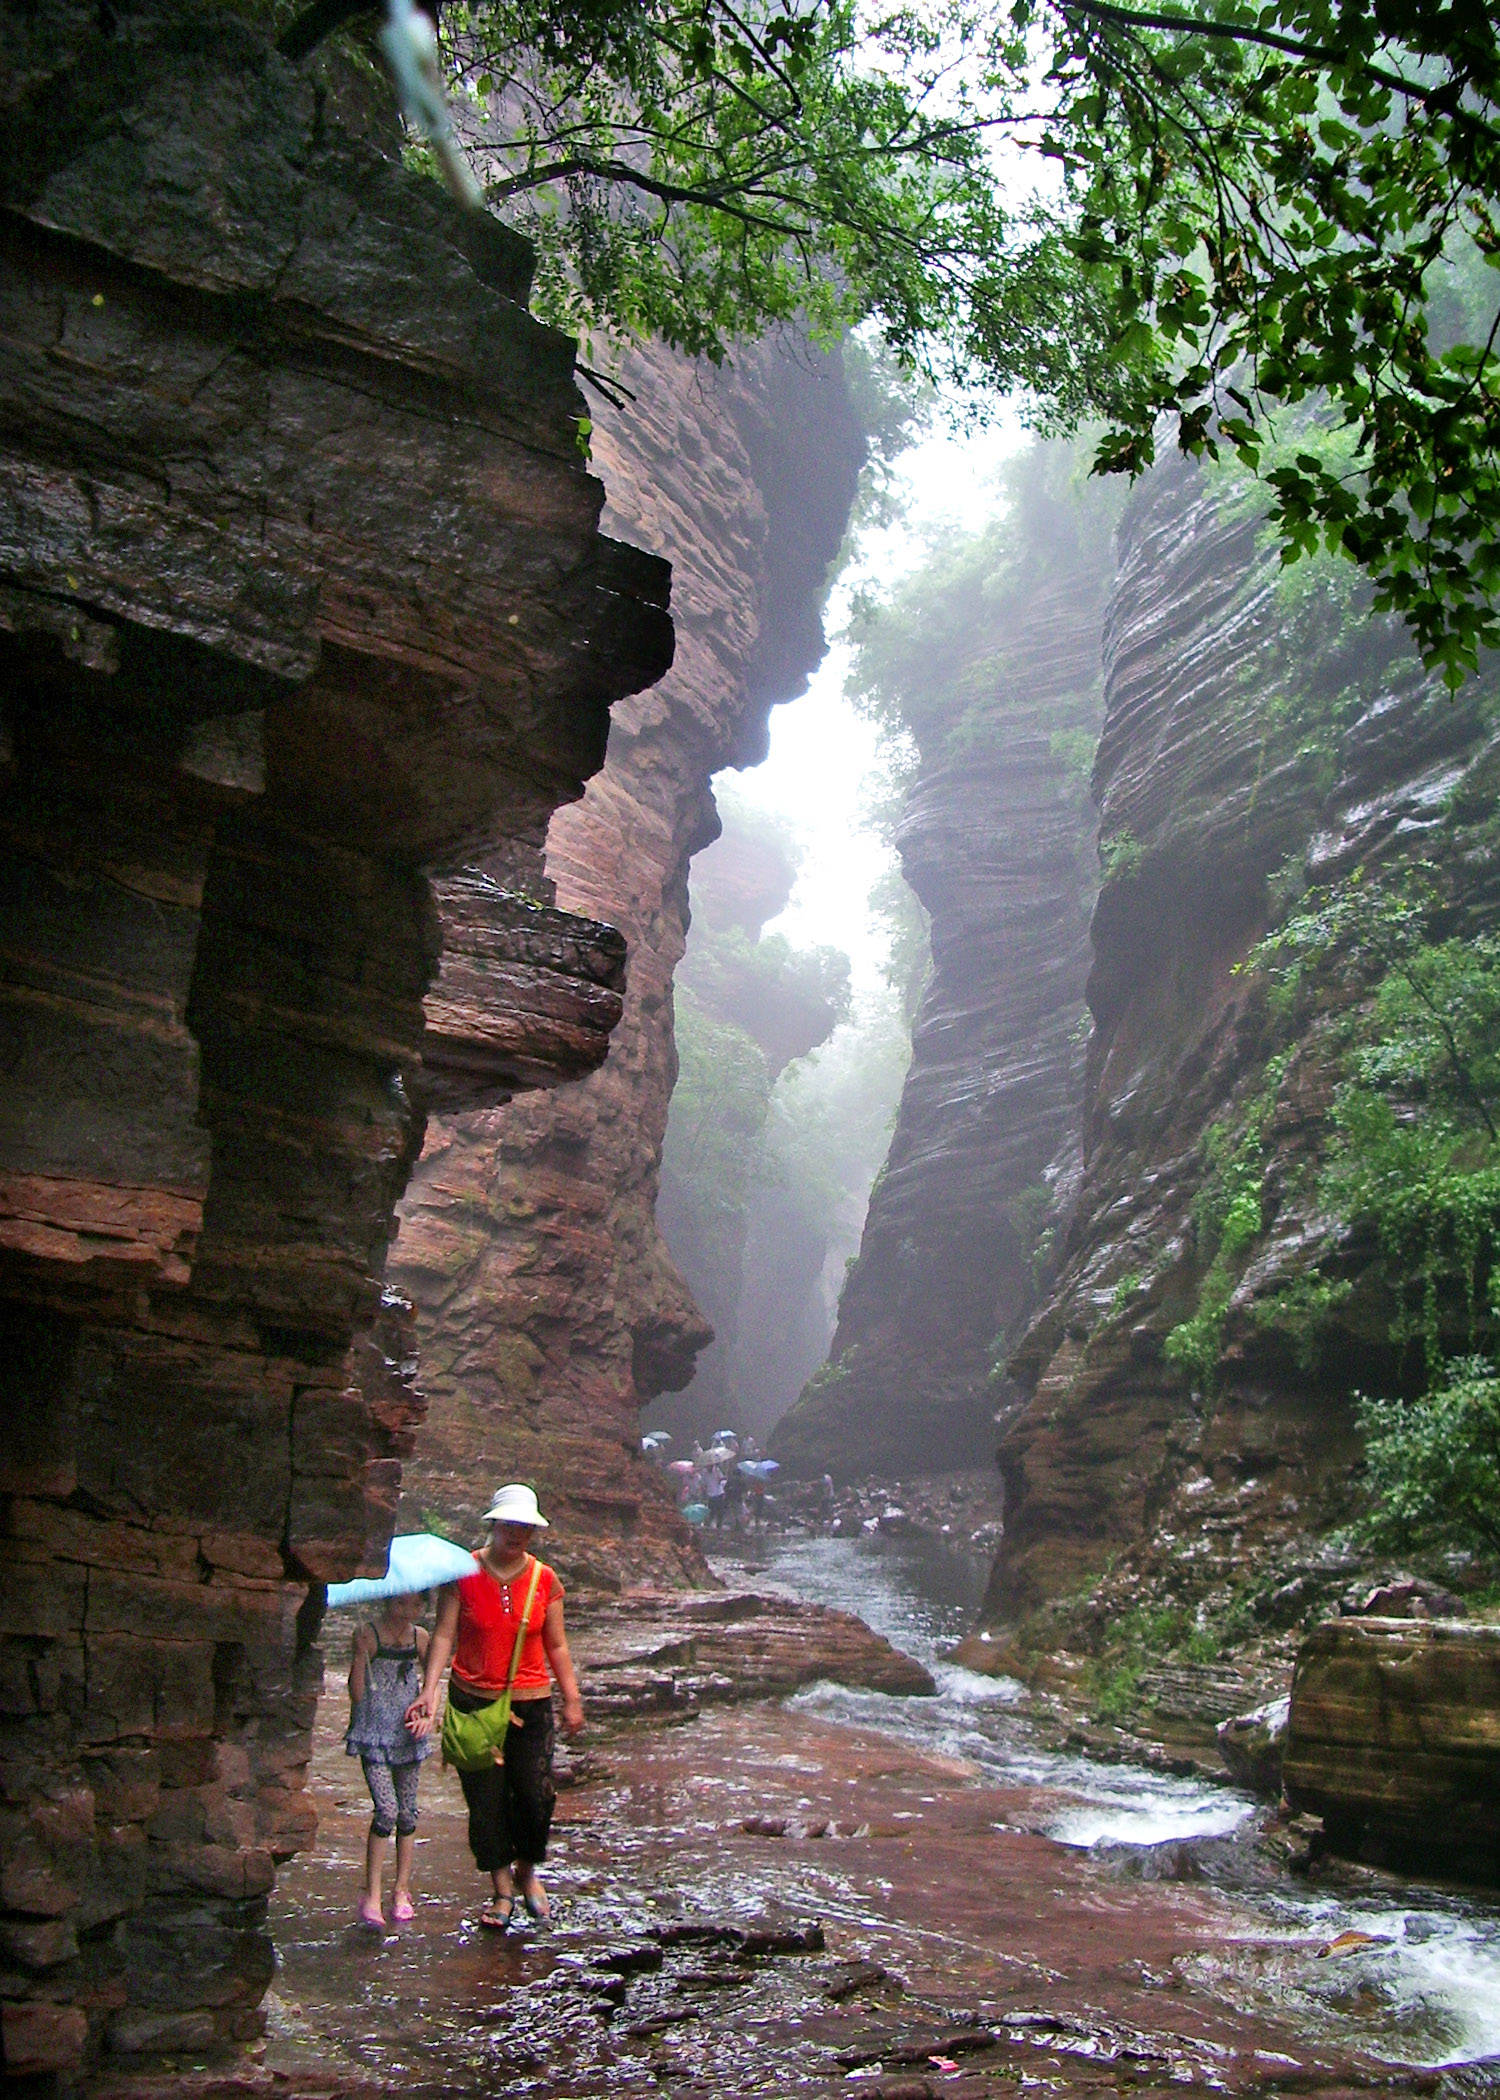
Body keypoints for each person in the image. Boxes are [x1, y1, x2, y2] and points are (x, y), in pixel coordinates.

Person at [404, 1484, 584, 1931]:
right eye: (510, 1524)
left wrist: (572, 1699)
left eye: (526, 1526)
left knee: (535, 1797)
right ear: (494, 1523)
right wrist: (431, 1690)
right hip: (472, 1703)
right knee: (485, 1803)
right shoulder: (462, 1571)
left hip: (532, 1704)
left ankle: (527, 1873)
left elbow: (556, 1645)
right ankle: (502, 1889)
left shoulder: (545, 1580)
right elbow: (444, 1635)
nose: (517, 1533)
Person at [345, 1590, 432, 1931]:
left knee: (408, 1812)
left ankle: (402, 1890)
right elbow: (355, 1693)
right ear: (386, 1601)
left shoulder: (420, 1637)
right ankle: (372, 1893)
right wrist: (359, 1654)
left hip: (409, 1735)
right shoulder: (369, 1633)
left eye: (416, 1604)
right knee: (386, 1810)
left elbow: (432, 1681)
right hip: (373, 1733)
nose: (407, 1611)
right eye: (400, 1603)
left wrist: (428, 1714)